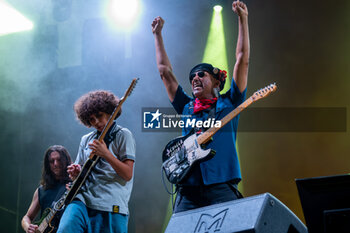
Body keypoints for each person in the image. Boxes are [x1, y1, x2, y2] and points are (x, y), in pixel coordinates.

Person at [152, 0, 250, 213]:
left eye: (201, 74)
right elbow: (164, 72)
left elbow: (242, 59)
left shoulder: (230, 101)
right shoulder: (186, 106)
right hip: (188, 189)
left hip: (221, 185)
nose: (195, 78)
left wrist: (243, 19)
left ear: (216, 82)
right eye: (192, 76)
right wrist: (157, 35)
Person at [57, 90, 136, 233]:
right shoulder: (86, 139)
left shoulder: (123, 135)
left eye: (99, 116)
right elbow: (78, 175)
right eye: (91, 119)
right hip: (81, 200)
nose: (96, 122)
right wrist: (75, 173)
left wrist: (106, 154)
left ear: (109, 111)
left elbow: (128, 174)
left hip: (110, 203)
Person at [21, 145, 72, 233]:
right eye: (52, 161)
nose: (56, 164)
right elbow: (27, 217)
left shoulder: (73, 185)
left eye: (59, 160)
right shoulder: (41, 190)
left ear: (66, 161)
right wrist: (28, 227)